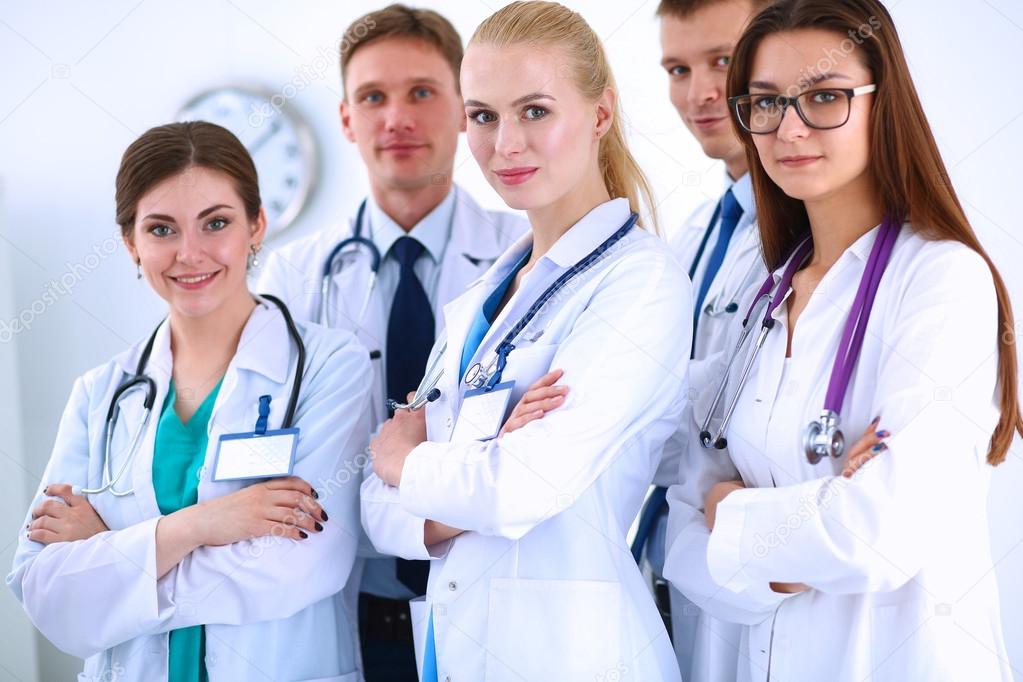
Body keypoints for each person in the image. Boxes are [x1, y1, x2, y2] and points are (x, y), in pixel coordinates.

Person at [662, 1, 1021, 680]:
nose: (788, 128)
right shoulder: (760, 294)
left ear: (883, 106)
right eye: (764, 103)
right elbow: (677, 524)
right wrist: (775, 548)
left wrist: (729, 511)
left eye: (823, 97)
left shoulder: (939, 279)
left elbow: (877, 535)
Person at [361, 2, 691, 680]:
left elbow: (521, 486)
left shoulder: (640, 282)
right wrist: (468, 475)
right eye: (483, 116)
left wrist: (407, 464)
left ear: (600, 113)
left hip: (575, 655)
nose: (504, 143)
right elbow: (376, 512)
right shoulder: (486, 291)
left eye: (534, 111)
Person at [7, 121, 372, 682]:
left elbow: (300, 564)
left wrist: (111, 560)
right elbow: (45, 591)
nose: (190, 253)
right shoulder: (101, 394)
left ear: (256, 225)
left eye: (216, 223)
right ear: (131, 242)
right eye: (161, 229)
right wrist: (200, 525)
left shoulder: (329, 366)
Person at [255, 6, 525, 680]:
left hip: (495, 598)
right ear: (346, 118)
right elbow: (276, 446)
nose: (396, 118)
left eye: (421, 93)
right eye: (373, 97)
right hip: (352, 606)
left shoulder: (521, 258)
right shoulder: (294, 275)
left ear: (465, 108)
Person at [631, 1, 771, 678]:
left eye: (722, 60)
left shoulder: (821, 240)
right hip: (673, 572)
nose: (699, 93)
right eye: (676, 68)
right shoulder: (690, 236)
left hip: (759, 587)